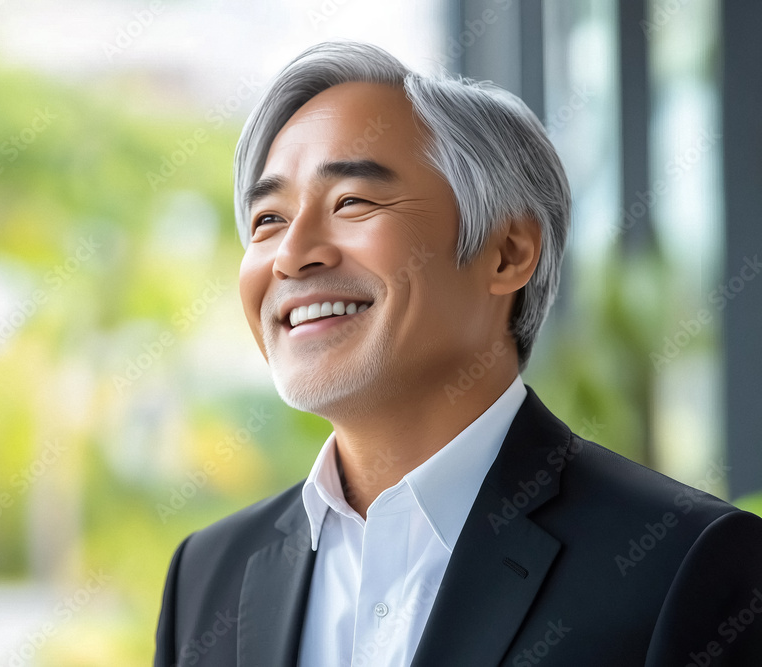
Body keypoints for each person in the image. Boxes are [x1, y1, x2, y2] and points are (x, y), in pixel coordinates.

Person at [153, 40, 762, 666]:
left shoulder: (686, 564)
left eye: (352, 203)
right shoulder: (207, 576)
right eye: (267, 220)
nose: (291, 253)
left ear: (507, 253)